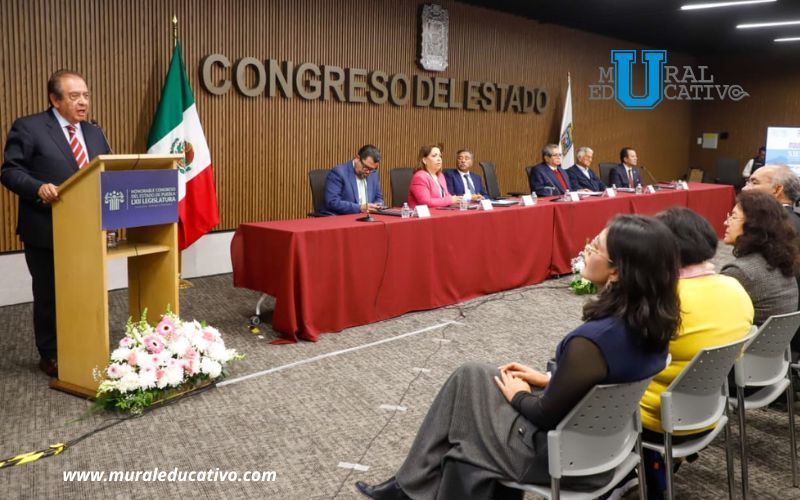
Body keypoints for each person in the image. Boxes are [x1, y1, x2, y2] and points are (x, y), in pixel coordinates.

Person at [355, 214, 678, 500]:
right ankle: (407, 485)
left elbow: (544, 415)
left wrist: (520, 395)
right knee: (471, 374)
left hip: (559, 456)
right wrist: (550, 379)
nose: (586, 250)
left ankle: (408, 487)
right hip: (608, 445)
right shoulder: (652, 326)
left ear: (617, 272)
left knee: (466, 440)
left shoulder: (592, 342)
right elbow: (604, 382)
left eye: (594, 247)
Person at [1, 69, 111, 378]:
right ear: (54, 99)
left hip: (88, 228)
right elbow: (10, 171)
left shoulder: (94, 132)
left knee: (86, 290)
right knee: (50, 293)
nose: (83, 102)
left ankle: (85, 343)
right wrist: (38, 188)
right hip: (46, 227)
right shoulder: (29, 127)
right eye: (74, 96)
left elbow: (107, 173)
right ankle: (50, 353)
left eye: (86, 95)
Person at [638, 207, 754, 498]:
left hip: (655, 420)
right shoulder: (734, 287)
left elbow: (619, 368)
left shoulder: (663, 301)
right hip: (710, 411)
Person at [721, 191, 799, 327]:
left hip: (745, 339)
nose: (725, 222)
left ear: (754, 225)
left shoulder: (740, 272)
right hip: (776, 339)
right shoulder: (783, 262)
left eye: (733, 217)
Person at [323, 144, 384, 215]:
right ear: (357, 158)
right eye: (366, 167)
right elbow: (332, 202)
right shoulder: (339, 173)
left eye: (372, 169)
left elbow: (378, 197)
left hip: (369, 217)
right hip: (344, 217)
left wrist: (377, 205)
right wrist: (359, 208)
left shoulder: (373, 173)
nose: (368, 172)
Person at [742, 164, 800, 234]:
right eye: (747, 183)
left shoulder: (774, 224)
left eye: (754, 183)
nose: (744, 189)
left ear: (777, 190)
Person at [407, 145, 462, 209]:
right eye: (434, 156)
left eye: (440, 156)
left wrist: (458, 200)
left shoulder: (440, 176)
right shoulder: (419, 177)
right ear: (424, 160)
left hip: (440, 211)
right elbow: (425, 202)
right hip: (423, 214)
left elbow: (446, 195)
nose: (439, 159)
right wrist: (450, 200)